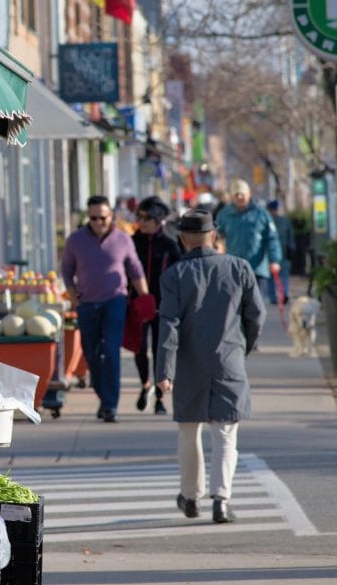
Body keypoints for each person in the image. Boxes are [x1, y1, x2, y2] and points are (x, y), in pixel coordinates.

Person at [155, 210, 265, 524]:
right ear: (214, 236)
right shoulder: (239, 268)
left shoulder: (174, 275)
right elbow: (256, 316)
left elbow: (169, 325)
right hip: (229, 358)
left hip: (189, 363)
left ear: (182, 239)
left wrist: (164, 371)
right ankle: (222, 499)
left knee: (189, 431)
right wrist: (243, 346)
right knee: (226, 433)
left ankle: (191, 497)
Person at [61, 195, 149, 423]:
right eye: (93, 218)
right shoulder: (75, 240)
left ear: (111, 216)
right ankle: (104, 397)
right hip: (87, 304)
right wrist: (73, 298)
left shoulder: (123, 239)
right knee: (91, 353)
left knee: (111, 352)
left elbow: (136, 270)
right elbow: (67, 271)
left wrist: (145, 298)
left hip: (115, 302)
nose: (98, 222)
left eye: (102, 217)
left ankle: (110, 405)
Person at [131, 197, 182, 414]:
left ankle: (160, 398)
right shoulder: (133, 242)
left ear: (159, 220)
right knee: (139, 347)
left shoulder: (170, 243)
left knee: (159, 350)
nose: (142, 222)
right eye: (139, 217)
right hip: (138, 304)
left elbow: (181, 272)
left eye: (147, 218)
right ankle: (145, 384)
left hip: (163, 305)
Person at [215, 179, 282, 299]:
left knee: (256, 307)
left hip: (257, 269)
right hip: (233, 269)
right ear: (232, 196)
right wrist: (217, 247)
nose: (240, 197)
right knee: (235, 307)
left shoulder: (261, 214)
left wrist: (274, 260)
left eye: (242, 194)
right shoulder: (224, 214)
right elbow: (215, 236)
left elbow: (272, 238)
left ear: (249, 194)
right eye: (236, 194)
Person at [265, 200, 295, 304]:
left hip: (283, 253)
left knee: (283, 275)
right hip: (272, 255)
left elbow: (290, 236)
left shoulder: (284, 222)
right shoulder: (267, 222)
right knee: (272, 277)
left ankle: (284, 295)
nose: (273, 212)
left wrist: (291, 249)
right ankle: (274, 297)